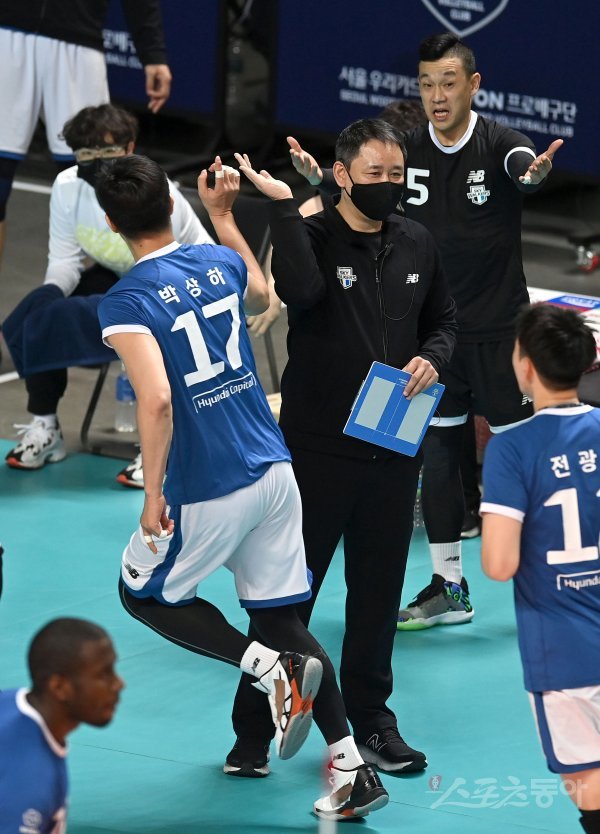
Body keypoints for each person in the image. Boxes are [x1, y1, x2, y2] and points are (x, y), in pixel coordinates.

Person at [95, 153, 389, 821]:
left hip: (210, 483)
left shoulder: (127, 301)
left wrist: (152, 495)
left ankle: (265, 668)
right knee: (282, 619)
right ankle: (351, 769)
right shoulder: (216, 260)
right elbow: (263, 296)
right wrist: (224, 218)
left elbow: (157, 400)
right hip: (275, 471)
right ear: (174, 207)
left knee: (143, 593)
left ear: (112, 224)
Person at [286, 33, 563, 629]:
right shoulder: (406, 149)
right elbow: (362, 185)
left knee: (521, 457)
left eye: (449, 83)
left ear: (473, 85)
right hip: (433, 340)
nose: (437, 96)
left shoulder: (500, 143)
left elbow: (524, 170)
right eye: (427, 84)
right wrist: (321, 181)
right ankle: (449, 588)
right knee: (436, 458)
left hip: (498, 333)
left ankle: (548, 577)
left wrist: (533, 176)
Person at [227, 118, 457, 777]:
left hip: (394, 451)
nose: (388, 184)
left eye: (397, 174)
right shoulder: (313, 235)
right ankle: (252, 731)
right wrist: (284, 207)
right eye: (374, 173)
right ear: (342, 175)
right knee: (287, 600)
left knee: (377, 598)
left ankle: (373, 723)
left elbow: (444, 320)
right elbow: (299, 292)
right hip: (317, 454)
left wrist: (433, 357)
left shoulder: (417, 241)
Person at [2, 104, 214, 487]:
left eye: (108, 150)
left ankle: (167, 445)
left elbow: (196, 261)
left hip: (173, 288)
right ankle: (46, 425)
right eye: (87, 153)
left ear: (130, 147)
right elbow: (64, 260)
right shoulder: (68, 188)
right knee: (34, 313)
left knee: (63, 318)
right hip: (119, 279)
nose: (97, 161)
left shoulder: (153, 191)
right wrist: (49, 295)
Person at [480, 303, 600, 834]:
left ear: (526, 366)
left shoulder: (512, 449)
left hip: (563, 650)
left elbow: (498, 563)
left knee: (589, 782)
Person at [0, 0, 171, 267]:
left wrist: (153, 53)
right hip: (6, 32)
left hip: (78, 40)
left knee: (99, 177)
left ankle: (115, 286)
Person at [0, 617, 124, 832]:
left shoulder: (10, 701)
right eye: (103, 675)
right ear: (59, 687)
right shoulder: (33, 783)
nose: (119, 684)